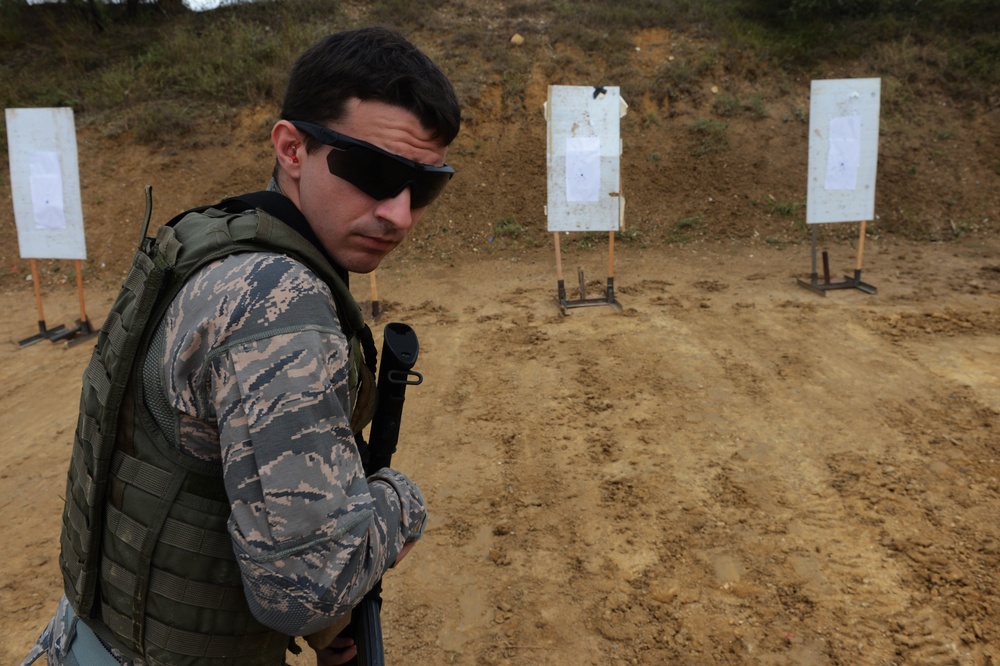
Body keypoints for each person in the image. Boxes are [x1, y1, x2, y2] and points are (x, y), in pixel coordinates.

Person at [22, 25, 460, 666]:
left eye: (424, 186)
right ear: (292, 148)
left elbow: (212, 474)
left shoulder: (216, 243)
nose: (399, 213)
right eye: (373, 171)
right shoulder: (281, 304)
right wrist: (401, 502)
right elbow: (307, 587)